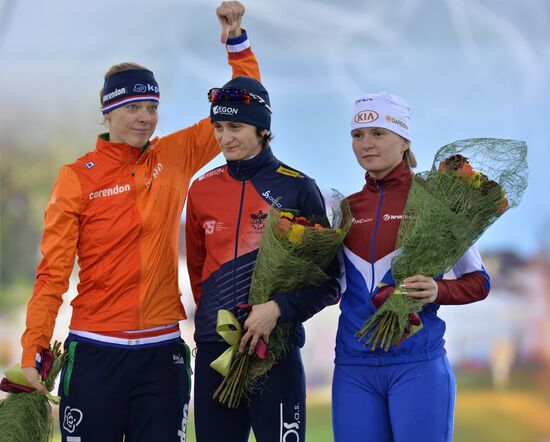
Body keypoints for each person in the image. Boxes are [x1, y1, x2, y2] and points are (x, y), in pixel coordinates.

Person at [19, 2, 261, 440]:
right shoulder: (76, 177)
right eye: (132, 107)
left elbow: (244, 102)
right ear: (107, 113)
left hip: (161, 351)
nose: (145, 117)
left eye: (151, 106)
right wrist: (33, 349)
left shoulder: (174, 155)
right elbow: (52, 273)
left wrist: (236, 42)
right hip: (95, 351)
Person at [185, 76, 340, 442]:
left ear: (262, 128)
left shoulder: (297, 187)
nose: (224, 138)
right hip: (214, 351)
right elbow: (197, 272)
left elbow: (329, 281)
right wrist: (215, 324)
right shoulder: (201, 188)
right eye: (218, 127)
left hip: (276, 351)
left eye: (235, 126)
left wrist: (279, 308)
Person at [332, 92, 491, 442]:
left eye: (378, 133)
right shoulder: (346, 209)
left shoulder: (438, 202)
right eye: (358, 135)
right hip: (352, 368)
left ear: (404, 140)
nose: (366, 144)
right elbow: (335, 286)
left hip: (416, 366)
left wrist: (439, 290)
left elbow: (479, 282)